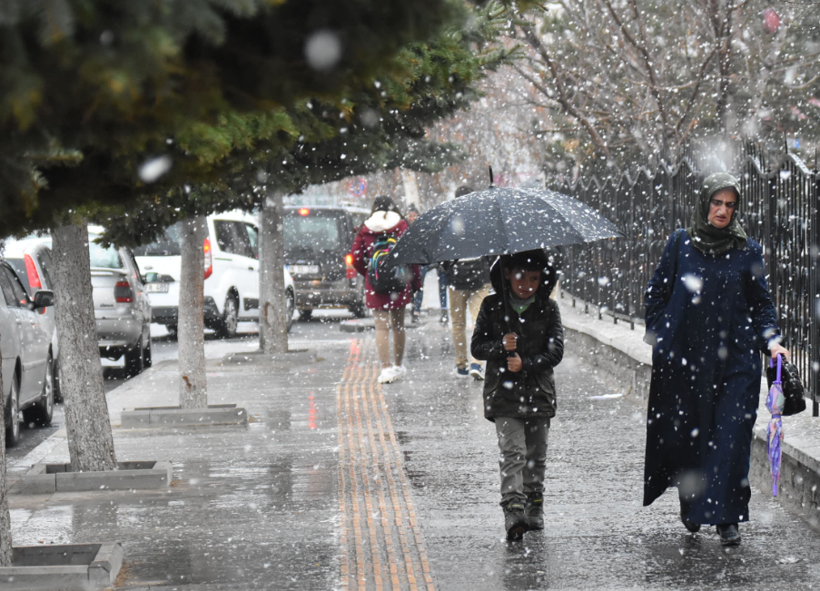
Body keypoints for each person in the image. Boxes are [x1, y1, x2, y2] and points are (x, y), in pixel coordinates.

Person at [643, 172, 790, 547]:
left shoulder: (747, 250)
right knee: (692, 436)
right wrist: (661, 337)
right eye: (717, 202)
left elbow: (761, 305)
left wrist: (772, 341)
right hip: (688, 361)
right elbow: (656, 293)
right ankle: (693, 503)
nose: (722, 210)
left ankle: (727, 517)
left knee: (732, 438)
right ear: (704, 202)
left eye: (730, 205)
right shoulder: (681, 244)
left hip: (737, 361)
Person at [471, 249, 563, 541]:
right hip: (503, 394)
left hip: (539, 394)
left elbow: (555, 352)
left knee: (536, 454)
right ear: (507, 274)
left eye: (534, 279)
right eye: (520, 277)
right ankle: (513, 509)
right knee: (512, 452)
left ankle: (534, 503)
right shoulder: (492, 305)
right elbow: (477, 347)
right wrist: (500, 346)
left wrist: (527, 363)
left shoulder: (548, 308)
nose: (526, 285)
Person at [351, 196, 421, 384]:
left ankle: (386, 368)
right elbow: (411, 255)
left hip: (376, 285)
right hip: (399, 281)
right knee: (398, 326)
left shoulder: (365, 228)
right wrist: (415, 282)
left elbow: (355, 257)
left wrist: (369, 274)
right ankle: (398, 365)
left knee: (381, 327)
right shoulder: (401, 225)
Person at [442, 185, 492, 380]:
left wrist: (449, 268)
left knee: (458, 323)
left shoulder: (449, 222)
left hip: (457, 279)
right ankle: (476, 363)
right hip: (480, 276)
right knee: (479, 321)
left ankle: (461, 364)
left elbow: (442, 253)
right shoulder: (482, 220)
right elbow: (491, 249)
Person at [406, 203, 449, 325]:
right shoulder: (408, 229)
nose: (412, 218)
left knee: (441, 285)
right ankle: (416, 310)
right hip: (424, 260)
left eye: (414, 215)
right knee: (419, 285)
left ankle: (443, 311)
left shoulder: (423, 227)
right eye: (410, 216)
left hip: (433, 258)